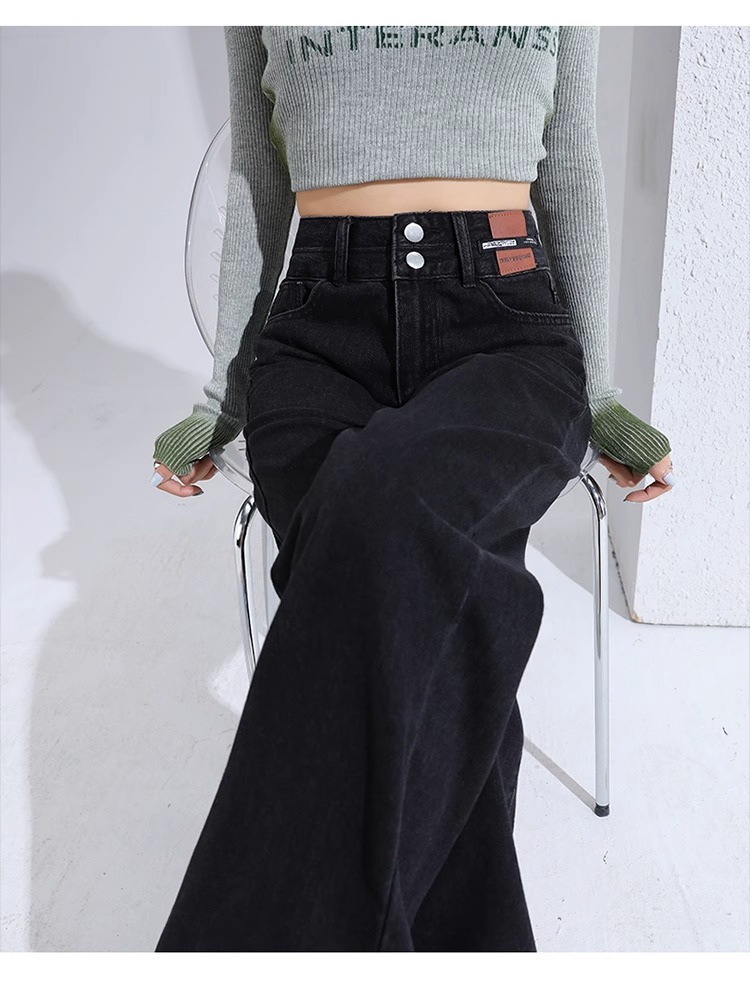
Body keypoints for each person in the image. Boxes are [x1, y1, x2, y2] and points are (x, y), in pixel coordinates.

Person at [151, 25, 674, 952]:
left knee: (377, 514)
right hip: (320, 336)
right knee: (410, 578)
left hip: (508, 326)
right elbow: (257, 184)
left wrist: (599, 397)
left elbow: (571, 168)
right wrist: (221, 396)